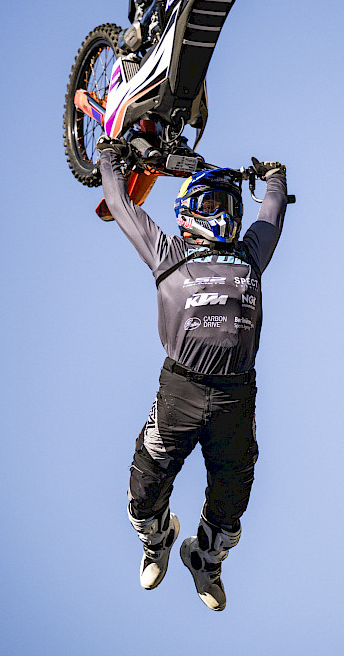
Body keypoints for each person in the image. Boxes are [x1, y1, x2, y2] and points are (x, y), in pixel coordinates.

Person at [97, 140, 288, 611]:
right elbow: (120, 204)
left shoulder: (250, 254)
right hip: (181, 390)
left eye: (230, 205)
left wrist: (275, 177)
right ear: (187, 211)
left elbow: (271, 216)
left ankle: (203, 558)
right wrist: (108, 156)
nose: (223, 214)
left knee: (232, 502)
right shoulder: (168, 253)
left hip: (235, 396)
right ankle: (158, 538)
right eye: (211, 203)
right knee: (143, 490)